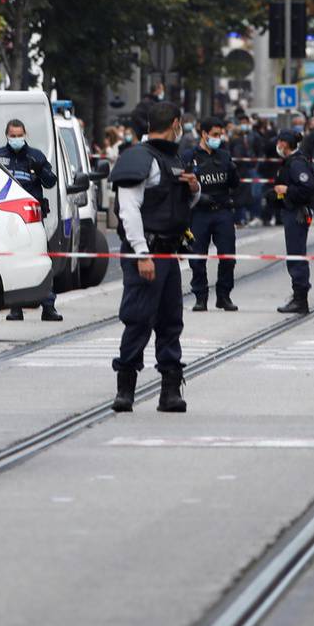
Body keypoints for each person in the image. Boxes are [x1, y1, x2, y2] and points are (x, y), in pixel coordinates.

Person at [108, 101, 198, 412]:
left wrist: (194, 188)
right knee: (138, 319)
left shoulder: (174, 159)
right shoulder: (138, 158)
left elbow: (180, 204)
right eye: (180, 124)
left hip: (169, 254)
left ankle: (170, 390)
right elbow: (129, 209)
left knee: (171, 321)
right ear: (175, 123)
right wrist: (141, 253)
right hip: (145, 252)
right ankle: (126, 389)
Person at [0, 120, 62, 322]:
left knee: (41, 259)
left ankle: (48, 306)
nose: (16, 139)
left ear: (25, 134)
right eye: (13, 135)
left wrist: (41, 169)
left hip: (33, 217)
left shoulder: (36, 155)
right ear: (6, 135)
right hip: (10, 218)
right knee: (15, 260)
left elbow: (51, 182)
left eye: (19, 135)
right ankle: (16, 307)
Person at [184, 117, 239, 312]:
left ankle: (224, 296)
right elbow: (181, 185)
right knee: (197, 257)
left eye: (220, 134)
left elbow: (234, 185)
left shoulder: (224, 156)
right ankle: (200, 296)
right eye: (215, 135)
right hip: (200, 212)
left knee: (228, 256)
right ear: (204, 134)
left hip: (223, 211)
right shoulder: (190, 156)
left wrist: (234, 172)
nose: (218, 138)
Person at [271, 129, 314, 314]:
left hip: (297, 213)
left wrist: (286, 190)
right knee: (294, 254)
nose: (277, 145)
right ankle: (299, 296)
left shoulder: (297, 163)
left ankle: (301, 298)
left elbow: (306, 188)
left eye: (279, 142)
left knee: (296, 255)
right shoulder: (291, 161)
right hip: (291, 211)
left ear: (284, 144)